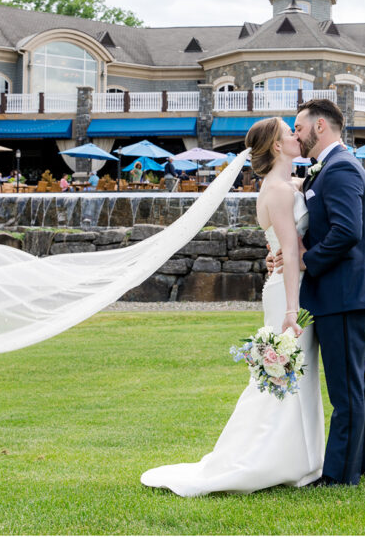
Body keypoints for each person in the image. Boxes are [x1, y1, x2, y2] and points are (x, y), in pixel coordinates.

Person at [141, 116, 323, 495]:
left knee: (294, 373)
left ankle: (302, 457)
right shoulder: (277, 191)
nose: (296, 135)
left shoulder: (289, 184)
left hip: (290, 283)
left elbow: (284, 243)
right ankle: (270, 458)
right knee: (283, 372)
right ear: (276, 145)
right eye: (290, 132)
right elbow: (289, 251)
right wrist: (292, 311)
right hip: (290, 292)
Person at [274, 98, 365, 487]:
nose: (297, 134)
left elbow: (346, 232)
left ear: (320, 127)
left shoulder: (339, 169)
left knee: (346, 386)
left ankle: (340, 475)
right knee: (356, 381)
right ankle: (361, 463)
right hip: (345, 291)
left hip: (344, 292)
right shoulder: (330, 169)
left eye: (300, 127)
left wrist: (306, 260)